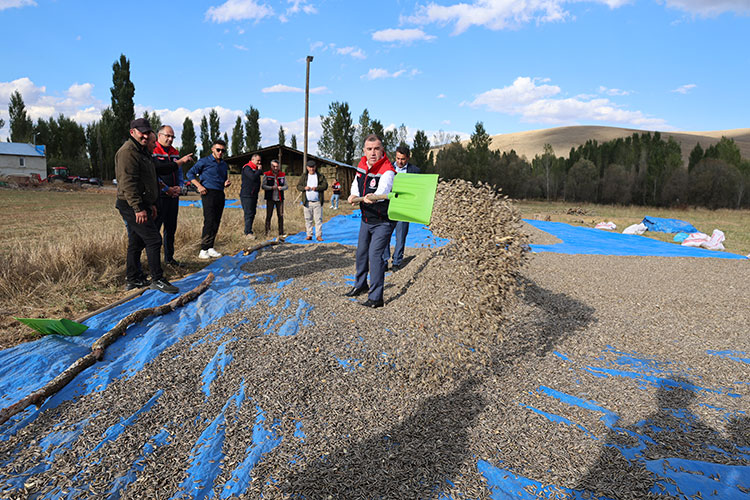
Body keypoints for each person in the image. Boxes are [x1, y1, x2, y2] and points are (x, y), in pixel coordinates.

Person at [115, 118, 179, 294]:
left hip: (142, 203)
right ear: (132, 132)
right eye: (141, 133)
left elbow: (148, 178)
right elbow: (128, 183)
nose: (145, 136)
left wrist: (150, 205)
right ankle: (157, 279)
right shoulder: (128, 152)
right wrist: (138, 208)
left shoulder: (142, 151)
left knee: (137, 242)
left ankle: (133, 279)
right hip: (130, 204)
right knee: (154, 239)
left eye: (147, 132)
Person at [345, 134, 396, 308]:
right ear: (364, 151)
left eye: (376, 149)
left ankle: (376, 298)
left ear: (382, 150)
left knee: (375, 257)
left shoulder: (387, 170)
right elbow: (356, 183)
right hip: (366, 219)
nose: (373, 153)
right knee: (361, 253)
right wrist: (354, 195)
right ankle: (360, 285)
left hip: (382, 221)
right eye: (369, 149)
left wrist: (373, 196)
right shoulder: (362, 165)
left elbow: (384, 190)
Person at [152, 125, 194, 267]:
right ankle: (154, 262)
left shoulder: (175, 152)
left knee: (171, 228)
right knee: (155, 230)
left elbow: (179, 171)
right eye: (167, 136)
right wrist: (166, 189)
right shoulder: (153, 151)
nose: (170, 139)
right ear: (159, 136)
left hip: (174, 196)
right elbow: (153, 174)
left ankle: (169, 259)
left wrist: (180, 187)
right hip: (160, 196)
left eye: (172, 137)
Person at [186, 139, 231, 260]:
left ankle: (210, 247)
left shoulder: (224, 164)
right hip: (208, 192)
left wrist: (225, 183)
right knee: (209, 220)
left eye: (223, 150)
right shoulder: (204, 161)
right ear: (212, 149)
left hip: (220, 193)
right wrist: (199, 186)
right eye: (218, 150)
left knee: (216, 220)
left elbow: (223, 179)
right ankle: (203, 249)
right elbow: (190, 174)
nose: (220, 152)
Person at [383, 145, 420, 271]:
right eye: (398, 158)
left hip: (404, 208)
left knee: (401, 236)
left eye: (403, 159)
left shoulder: (415, 171)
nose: (400, 161)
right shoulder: (387, 168)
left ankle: (396, 262)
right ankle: (384, 261)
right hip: (387, 206)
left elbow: (417, 190)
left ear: (408, 158)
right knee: (384, 235)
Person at [297, 159, 328, 241]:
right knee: (308, 219)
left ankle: (318, 235)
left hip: (317, 202)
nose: (311, 169)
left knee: (318, 219)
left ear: (315, 167)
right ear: (307, 168)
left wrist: (317, 188)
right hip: (307, 202)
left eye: (313, 167)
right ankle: (309, 234)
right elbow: (298, 186)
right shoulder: (304, 176)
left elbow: (325, 186)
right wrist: (304, 188)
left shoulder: (320, 176)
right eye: (310, 167)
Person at [240, 153, 263, 240]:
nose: (259, 162)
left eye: (260, 161)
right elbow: (252, 177)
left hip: (253, 195)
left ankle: (249, 230)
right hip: (247, 195)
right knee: (248, 213)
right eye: (258, 161)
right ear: (252, 160)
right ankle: (247, 233)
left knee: (252, 213)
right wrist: (259, 171)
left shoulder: (255, 169)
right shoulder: (247, 168)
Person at [263, 159, 287, 236]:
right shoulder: (267, 174)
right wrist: (271, 188)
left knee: (280, 215)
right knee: (269, 215)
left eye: (277, 166)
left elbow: (286, 186)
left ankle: (281, 232)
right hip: (270, 198)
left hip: (280, 198)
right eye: (274, 166)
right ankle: (267, 232)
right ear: (271, 166)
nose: (275, 168)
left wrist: (281, 188)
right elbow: (263, 186)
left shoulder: (282, 175)